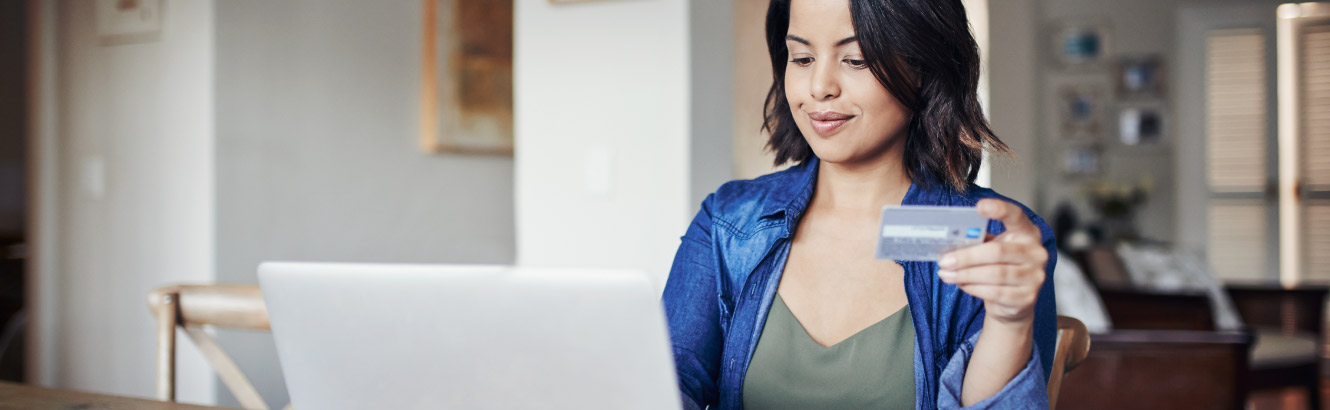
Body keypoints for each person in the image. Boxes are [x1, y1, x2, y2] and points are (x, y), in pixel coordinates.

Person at [661, 0, 1058, 408]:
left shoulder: (993, 243)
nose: (819, 86)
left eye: (854, 59)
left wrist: (1010, 323)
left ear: (923, 65)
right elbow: (666, 385)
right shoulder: (728, 222)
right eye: (802, 58)